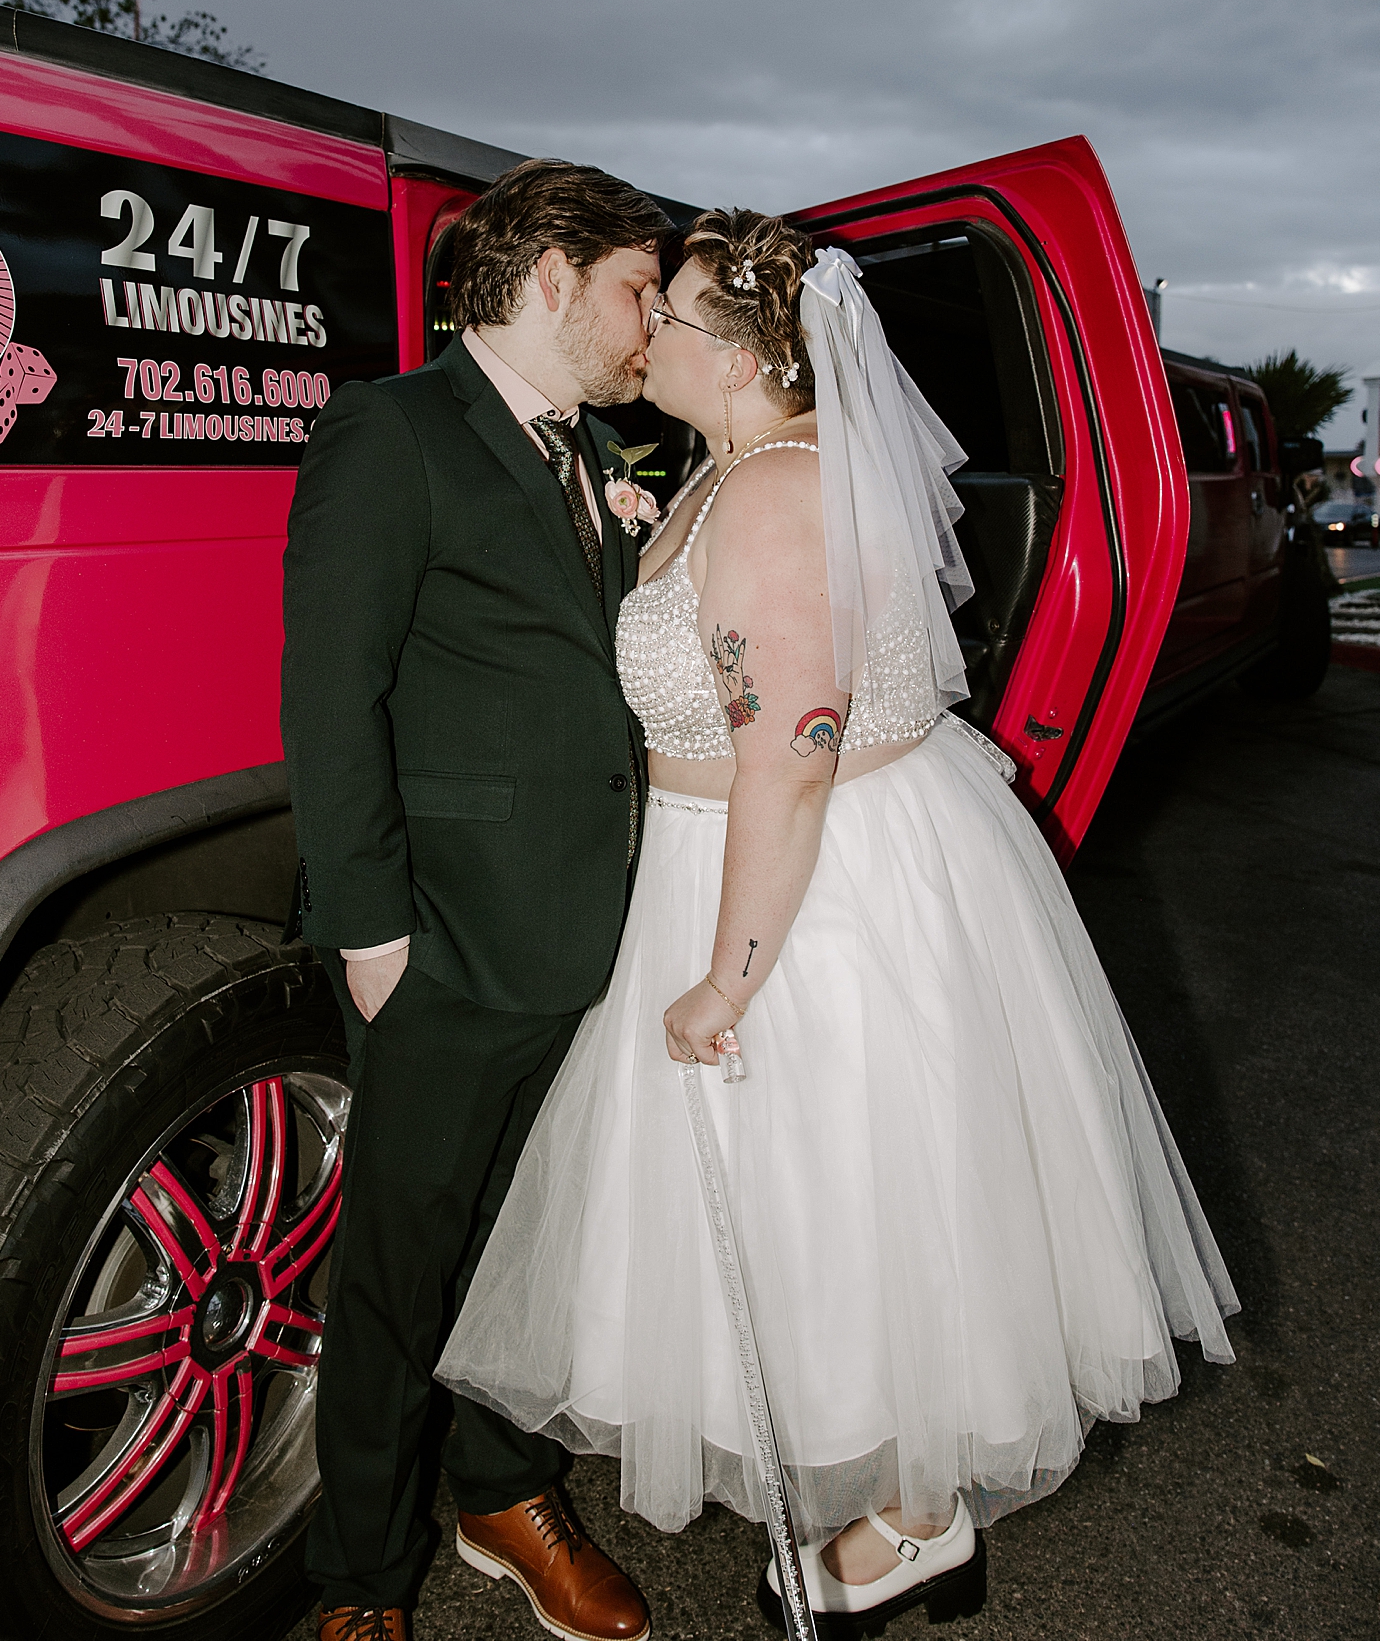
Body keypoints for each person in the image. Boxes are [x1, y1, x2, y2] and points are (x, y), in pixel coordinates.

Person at [438, 208, 1238, 1633]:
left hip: (813, 883)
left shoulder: (775, 494)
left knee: (870, 1191)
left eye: (671, 315)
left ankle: (922, 1519)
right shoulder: (717, 470)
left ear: (742, 357)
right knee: (806, 1200)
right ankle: (911, 1507)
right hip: (738, 852)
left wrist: (727, 980)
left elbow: (793, 755)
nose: (649, 334)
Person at [281, 158, 673, 1641]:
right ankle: (361, 1581)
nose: (650, 322)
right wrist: (378, 942)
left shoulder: (596, 447)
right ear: (552, 276)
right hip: (444, 946)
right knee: (399, 1274)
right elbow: (333, 696)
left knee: (541, 1246)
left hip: (589, 940)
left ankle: (506, 1490)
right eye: (637, 287)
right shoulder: (392, 430)